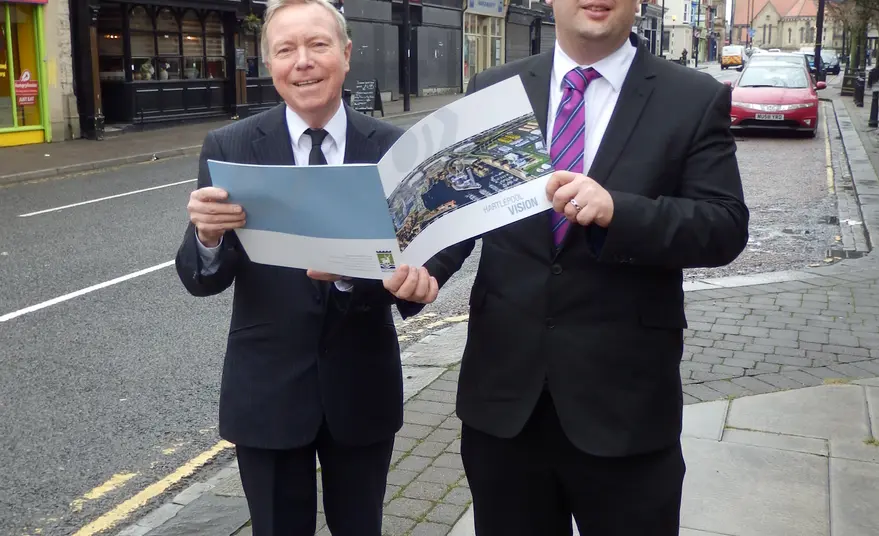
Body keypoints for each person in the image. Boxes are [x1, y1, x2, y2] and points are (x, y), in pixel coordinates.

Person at [422, 0, 750, 534]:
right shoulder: (494, 89)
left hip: (625, 409)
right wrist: (423, 271)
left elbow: (725, 225)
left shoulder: (691, 98)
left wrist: (621, 211)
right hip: (505, 406)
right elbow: (460, 208)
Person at [174, 1, 437, 534]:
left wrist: (393, 278)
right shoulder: (231, 146)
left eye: (317, 45)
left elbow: (420, 258)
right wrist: (207, 234)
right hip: (267, 391)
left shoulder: (393, 149)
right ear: (268, 63)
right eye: (285, 49)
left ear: (345, 53)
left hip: (361, 386)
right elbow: (201, 279)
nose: (303, 62)